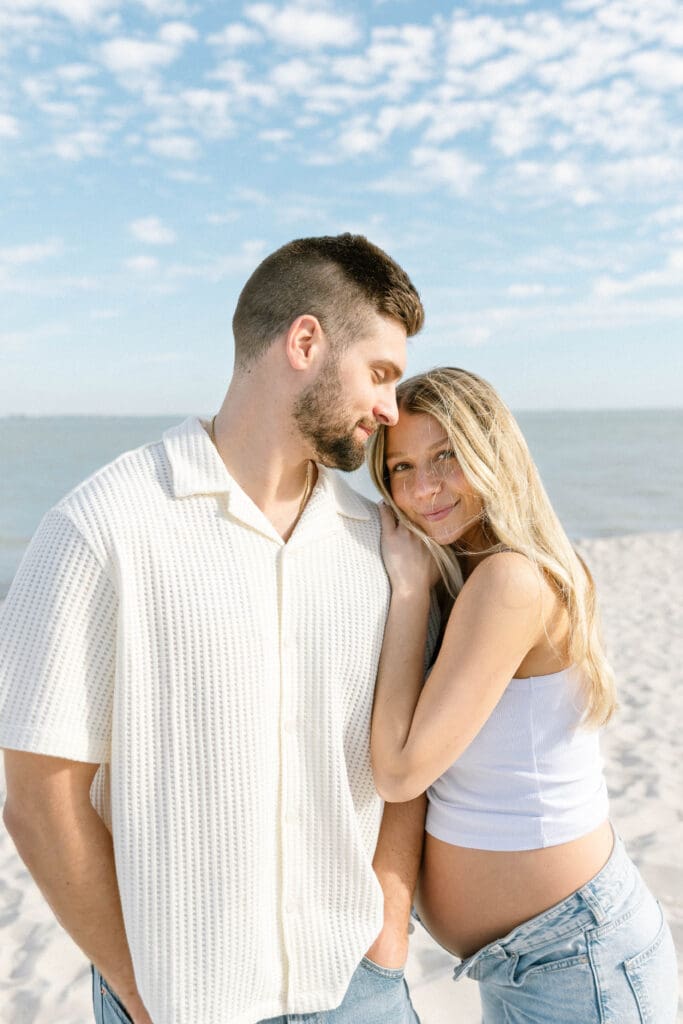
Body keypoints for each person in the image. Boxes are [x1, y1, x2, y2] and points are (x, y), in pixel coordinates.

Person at [0, 234, 433, 1024]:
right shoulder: (102, 528)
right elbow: (38, 798)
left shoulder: (381, 544)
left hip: (359, 987)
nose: (390, 409)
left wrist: (390, 926)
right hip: (182, 1002)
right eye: (378, 373)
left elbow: (402, 748)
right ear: (304, 342)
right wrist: (138, 986)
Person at [367, 367, 679, 1023]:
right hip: (533, 962)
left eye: (445, 457)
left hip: (575, 959)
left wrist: (406, 590)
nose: (421, 488)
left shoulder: (508, 579)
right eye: (400, 468)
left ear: (491, 452)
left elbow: (400, 771)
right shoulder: (479, 571)